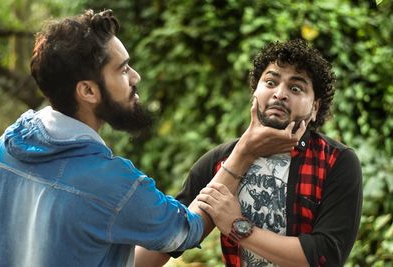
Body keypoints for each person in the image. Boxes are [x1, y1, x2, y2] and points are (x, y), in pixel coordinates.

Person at [0, 10, 307, 267]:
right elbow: (187, 230)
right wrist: (246, 150)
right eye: (122, 69)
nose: (135, 77)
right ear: (87, 91)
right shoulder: (112, 184)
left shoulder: (5, 150)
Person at [135, 39, 363, 267]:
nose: (280, 94)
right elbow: (170, 238)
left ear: (315, 107)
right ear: (255, 90)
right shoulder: (220, 161)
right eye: (271, 82)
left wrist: (237, 226)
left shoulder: (336, 162)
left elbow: (325, 257)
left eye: (296, 88)